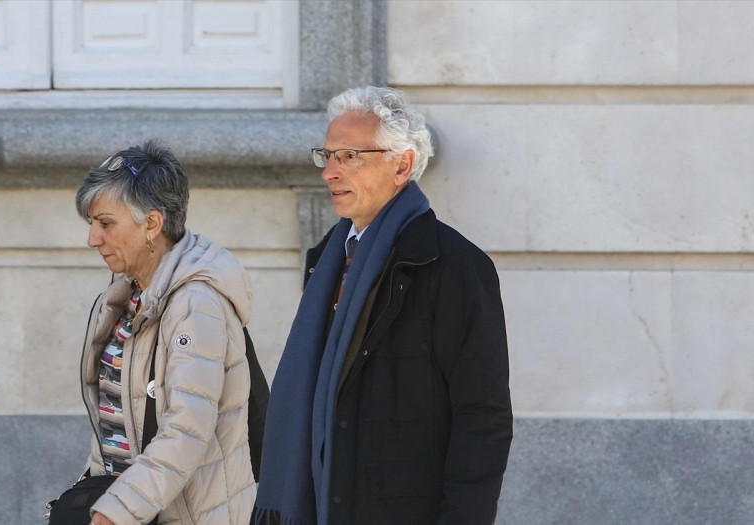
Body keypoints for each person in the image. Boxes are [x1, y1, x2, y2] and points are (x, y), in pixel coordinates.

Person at [253, 87, 513, 525]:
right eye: (328, 155)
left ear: (402, 164)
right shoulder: (325, 261)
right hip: (324, 504)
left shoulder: (452, 265)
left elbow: (482, 417)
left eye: (350, 156)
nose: (330, 173)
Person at [74, 140, 256, 525]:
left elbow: (185, 432)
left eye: (105, 223)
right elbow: (117, 422)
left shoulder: (195, 303)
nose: (93, 239)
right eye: (92, 224)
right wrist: (88, 494)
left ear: (152, 225)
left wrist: (112, 513)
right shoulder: (130, 295)